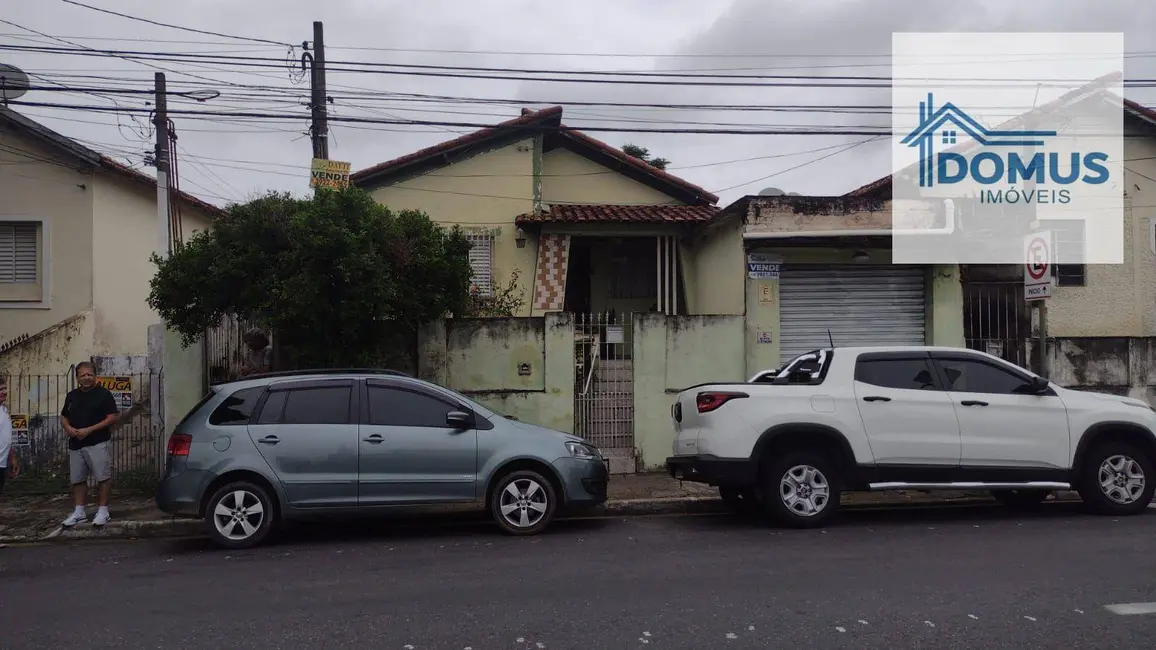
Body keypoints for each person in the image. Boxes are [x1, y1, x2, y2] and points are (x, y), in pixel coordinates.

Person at [60, 362, 119, 527]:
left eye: (89, 374)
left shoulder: (104, 394)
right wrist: (68, 428)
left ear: (95, 376)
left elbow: (112, 417)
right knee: (77, 479)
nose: (86, 378)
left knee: (103, 477)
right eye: (83, 375)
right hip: (76, 444)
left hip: (98, 442)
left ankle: (103, 511)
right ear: (77, 378)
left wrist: (89, 430)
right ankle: (79, 512)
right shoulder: (72, 396)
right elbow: (64, 416)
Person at [0, 375, 11, 497]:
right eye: (0, 389)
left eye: (4, 388)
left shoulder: (4, 409)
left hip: (2, 461)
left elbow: (6, 435)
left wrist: (12, 456)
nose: (4, 392)